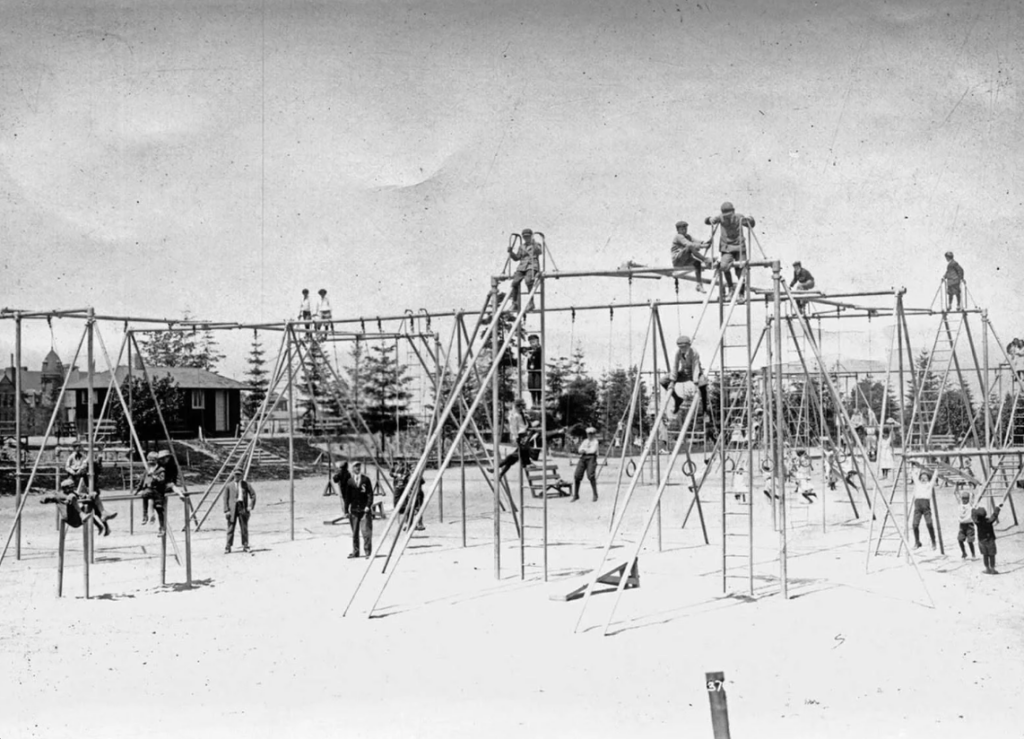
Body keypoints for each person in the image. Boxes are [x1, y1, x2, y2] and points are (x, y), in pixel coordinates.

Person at [660, 335, 716, 437]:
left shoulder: (694, 353)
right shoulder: (678, 353)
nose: (682, 349)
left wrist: (695, 382)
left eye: (684, 347)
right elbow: (675, 366)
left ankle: (705, 411)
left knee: (703, 385)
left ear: (689, 346)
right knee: (663, 381)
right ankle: (677, 399)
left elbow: (695, 367)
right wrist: (672, 380)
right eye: (680, 347)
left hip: (696, 372)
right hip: (684, 372)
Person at [705, 202, 755, 298]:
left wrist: (750, 219)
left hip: (739, 247)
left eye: (729, 216)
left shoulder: (739, 217)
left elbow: (751, 224)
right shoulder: (721, 218)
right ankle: (731, 288)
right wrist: (710, 219)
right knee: (723, 266)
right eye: (726, 216)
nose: (727, 218)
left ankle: (741, 293)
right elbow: (708, 221)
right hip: (727, 247)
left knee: (741, 270)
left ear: (733, 212)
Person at [64, 443, 116, 535]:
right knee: (88, 510)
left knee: (93, 509)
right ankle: (102, 524)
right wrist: (75, 470)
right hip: (82, 486)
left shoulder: (89, 464)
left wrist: (99, 455)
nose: (78, 448)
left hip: (89, 487)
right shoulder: (74, 458)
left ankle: (104, 525)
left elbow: (95, 467)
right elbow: (72, 468)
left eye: (79, 447)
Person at [670, 221, 711, 293]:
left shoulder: (688, 236)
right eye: (682, 229)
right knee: (690, 246)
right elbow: (688, 244)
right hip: (678, 260)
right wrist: (702, 246)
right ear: (678, 230)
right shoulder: (678, 236)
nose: (684, 231)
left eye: (685, 229)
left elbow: (697, 241)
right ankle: (705, 259)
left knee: (697, 263)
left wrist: (705, 243)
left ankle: (699, 284)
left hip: (686, 260)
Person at [507, 228, 543, 312]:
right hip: (522, 266)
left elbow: (539, 252)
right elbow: (517, 258)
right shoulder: (522, 246)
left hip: (532, 265)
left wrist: (534, 243)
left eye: (528, 237)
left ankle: (531, 303)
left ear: (531, 236)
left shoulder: (536, 244)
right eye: (525, 237)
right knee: (515, 282)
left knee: (528, 281)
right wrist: (511, 253)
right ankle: (515, 303)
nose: (526, 238)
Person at [344, 461, 374, 559]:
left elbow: (370, 494)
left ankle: (368, 552)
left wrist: (368, 506)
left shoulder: (366, 480)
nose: (357, 468)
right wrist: (346, 510)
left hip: (364, 510)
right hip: (354, 511)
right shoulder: (349, 481)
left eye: (359, 466)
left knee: (366, 532)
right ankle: (355, 552)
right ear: (352, 469)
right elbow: (347, 497)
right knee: (355, 532)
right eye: (355, 466)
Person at [223, 469, 256, 554]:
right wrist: (226, 510)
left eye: (239, 475)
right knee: (230, 528)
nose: (237, 476)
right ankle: (228, 546)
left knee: (244, 528)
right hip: (232, 509)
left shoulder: (246, 485)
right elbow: (225, 499)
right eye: (236, 475)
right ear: (233, 475)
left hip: (242, 508)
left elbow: (253, 495)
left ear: (242, 475)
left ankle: (245, 545)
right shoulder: (228, 486)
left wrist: (250, 506)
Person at [572, 427, 600, 502]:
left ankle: (595, 494)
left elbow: (593, 450)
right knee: (577, 475)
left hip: (591, 458)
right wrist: (584, 450)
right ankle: (576, 495)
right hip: (583, 458)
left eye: (591, 434)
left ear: (594, 434)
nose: (590, 435)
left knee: (590, 475)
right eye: (588, 434)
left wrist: (584, 450)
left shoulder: (595, 442)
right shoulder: (585, 441)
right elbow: (579, 450)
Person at [911, 468, 937, 550]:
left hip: (926, 506)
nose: (923, 479)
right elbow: (913, 474)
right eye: (922, 478)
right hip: (917, 506)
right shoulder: (917, 484)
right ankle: (917, 542)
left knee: (929, 523)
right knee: (914, 525)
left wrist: (937, 467)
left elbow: (934, 476)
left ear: (928, 479)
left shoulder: (929, 485)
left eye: (925, 478)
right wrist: (914, 466)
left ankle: (933, 541)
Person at [973, 503, 1002, 574]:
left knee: (985, 555)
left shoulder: (977, 522)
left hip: (982, 541)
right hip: (990, 540)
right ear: (985, 514)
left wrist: (973, 509)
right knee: (992, 555)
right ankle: (992, 568)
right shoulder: (989, 521)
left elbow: (973, 516)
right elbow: (994, 515)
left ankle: (987, 568)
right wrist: (997, 508)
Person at [954, 491, 976, 560]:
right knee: (960, 539)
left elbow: (973, 496)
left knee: (970, 541)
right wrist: (956, 488)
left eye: (966, 499)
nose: (964, 500)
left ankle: (973, 554)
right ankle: (964, 552)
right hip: (962, 525)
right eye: (963, 499)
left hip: (969, 525)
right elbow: (956, 495)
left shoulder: (970, 505)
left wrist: (972, 489)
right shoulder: (960, 505)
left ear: (968, 499)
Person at [522, 334, 543, 407]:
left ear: (537, 341)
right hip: (531, 371)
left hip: (538, 371)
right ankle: (534, 402)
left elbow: (538, 353)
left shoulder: (540, 349)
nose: (532, 344)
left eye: (533, 342)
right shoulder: (530, 349)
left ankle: (539, 402)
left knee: (538, 387)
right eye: (530, 342)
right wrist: (526, 353)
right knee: (531, 387)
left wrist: (531, 353)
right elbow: (521, 349)